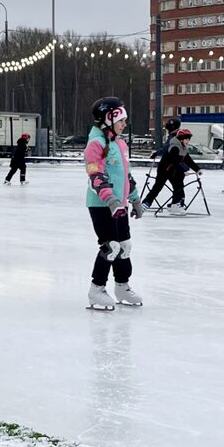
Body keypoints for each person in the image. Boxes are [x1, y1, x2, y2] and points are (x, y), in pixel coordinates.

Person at [84, 97, 144, 310]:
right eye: (121, 119)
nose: (124, 124)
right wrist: (110, 199)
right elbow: (95, 175)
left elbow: (126, 175)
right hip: (101, 205)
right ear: (109, 119)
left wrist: (134, 199)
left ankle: (122, 285)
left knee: (124, 246)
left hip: (120, 205)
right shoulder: (96, 144)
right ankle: (97, 289)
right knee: (111, 246)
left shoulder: (119, 143)